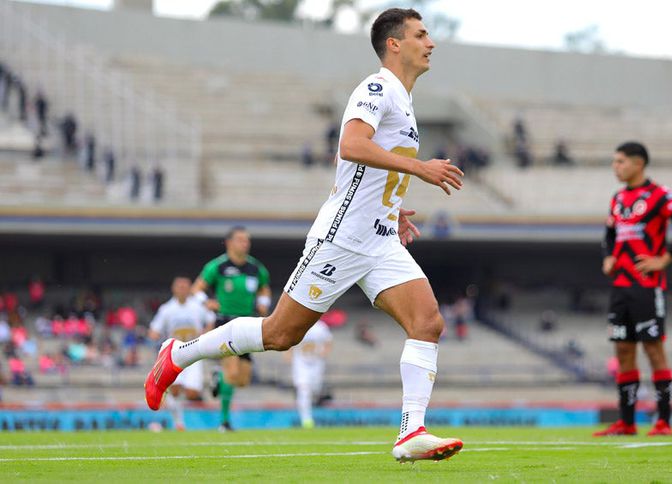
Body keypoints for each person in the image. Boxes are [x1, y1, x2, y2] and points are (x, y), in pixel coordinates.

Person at [145, 8, 464, 462]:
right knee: (279, 334)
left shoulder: (405, 102)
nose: (431, 43)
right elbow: (349, 146)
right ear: (394, 43)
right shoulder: (376, 88)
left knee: (428, 322)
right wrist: (419, 168)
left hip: (379, 240)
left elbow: (359, 168)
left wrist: (391, 209)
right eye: (421, 34)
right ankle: (179, 353)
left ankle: (411, 432)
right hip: (342, 238)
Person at [593, 141, 672, 437]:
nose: (615, 167)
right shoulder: (618, 198)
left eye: (620, 162)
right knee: (623, 351)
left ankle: (663, 421)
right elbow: (609, 233)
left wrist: (664, 259)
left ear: (638, 163)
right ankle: (626, 422)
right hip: (620, 287)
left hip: (647, 286)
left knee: (654, 350)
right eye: (614, 162)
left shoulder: (659, 195)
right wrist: (608, 257)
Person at [186, 226, 271, 432]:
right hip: (225, 323)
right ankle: (224, 422)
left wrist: (263, 302)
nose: (245, 243)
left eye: (247, 240)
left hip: (248, 324)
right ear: (229, 243)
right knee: (231, 373)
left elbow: (264, 288)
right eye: (240, 239)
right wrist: (206, 301)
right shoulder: (218, 266)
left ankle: (218, 377)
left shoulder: (255, 268)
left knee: (242, 380)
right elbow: (196, 289)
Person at [148, 276, 215, 431]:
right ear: (174, 289)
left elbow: (210, 321)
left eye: (185, 287)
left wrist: (206, 334)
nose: (182, 290)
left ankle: (183, 400)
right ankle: (179, 423)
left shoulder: (197, 307)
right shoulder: (167, 309)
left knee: (192, 393)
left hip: (194, 353)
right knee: (176, 388)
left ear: (190, 289)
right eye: (179, 287)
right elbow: (154, 329)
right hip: (175, 353)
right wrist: (154, 335)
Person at [287, 319, 333, 428]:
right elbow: (289, 341)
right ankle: (306, 420)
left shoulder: (321, 327)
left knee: (315, 388)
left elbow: (328, 341)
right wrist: (289, 355)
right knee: (303, 389)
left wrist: (324, 353)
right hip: (301, 362)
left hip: (317, 362)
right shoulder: (298, 324)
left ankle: (312, 403)